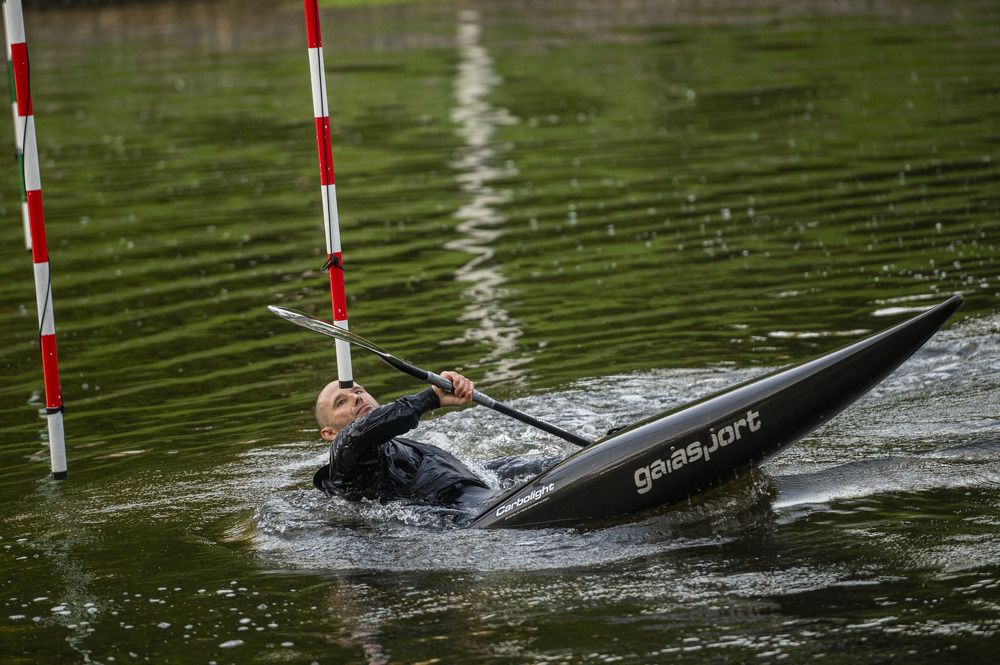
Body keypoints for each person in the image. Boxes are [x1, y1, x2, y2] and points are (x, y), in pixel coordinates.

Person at [312, 371, 497, 509]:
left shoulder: (400, 445)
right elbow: (360, 432)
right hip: (461, 508)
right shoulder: (345, 458)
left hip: (478, 489)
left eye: (358, 391)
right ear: (330, 433)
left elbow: (478, 471)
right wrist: (432, 398)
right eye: (341, 402)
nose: (355, 398)